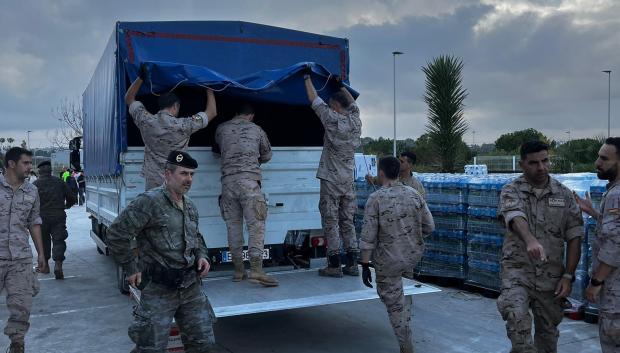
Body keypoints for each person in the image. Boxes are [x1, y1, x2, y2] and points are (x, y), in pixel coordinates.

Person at [106, 151, 217, 353]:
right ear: (167, 174)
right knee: (150, 348)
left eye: (192, 174)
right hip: (159, 289)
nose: (189, 179)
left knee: (204, 345)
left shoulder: (190, 205)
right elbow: (116, 234)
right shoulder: (149, 202)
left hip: (190, 287)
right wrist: (131, 268)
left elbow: (196, 238)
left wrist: (202, 256)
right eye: (183, 173)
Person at [496, 140, 583, 353]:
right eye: (534, 163)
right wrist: (530, 240)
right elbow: (515, 215)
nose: (541, 167)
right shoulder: (511, 190)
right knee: (517, 322)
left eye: (545, 161)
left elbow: (575, 237)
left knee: (548, 335)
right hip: (518, 272)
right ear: (523, 165)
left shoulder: (563, 194)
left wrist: (568, 276)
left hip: (551, 278)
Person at [359, 156, 434, 353]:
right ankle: (405, 317)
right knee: (404, 294)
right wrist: (411, 238)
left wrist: (365, 265)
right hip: (411, 256)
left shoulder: (375, 199)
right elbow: (429, 226)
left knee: (394, 305)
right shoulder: (414, 194)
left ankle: (406, 346)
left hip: (388, 261)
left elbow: (368, 237)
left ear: (381, 173)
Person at [304, 71, 362, 277]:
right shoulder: (356, 121)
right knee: (347, 221)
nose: (329, 107)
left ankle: (334, 265)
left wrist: (306, 78)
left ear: (336, 107)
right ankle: (353, 264)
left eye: (331, 105)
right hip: (348, 181)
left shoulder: (331, 119)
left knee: (331, 221)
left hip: (331, 180)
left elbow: (313, 99)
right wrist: (340, 85)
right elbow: (352, 104)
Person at [125, 64, 217, 190]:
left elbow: (129, 98)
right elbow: (212, 112)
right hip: (176, 181)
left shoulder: (146, 120)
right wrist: (209, 90)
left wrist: (141, 77)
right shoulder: (184, 125)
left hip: (153, 183)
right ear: (175, 106)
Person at [215, 103, 278, 287]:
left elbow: (217, 151)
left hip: (227, 184)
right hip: (250, 183)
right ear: (251, 116)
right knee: (255, 226)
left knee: (233, 227)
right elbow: (266, 156)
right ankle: (257, 270)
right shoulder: (257, 130)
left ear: (236, 113)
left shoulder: (221, 129)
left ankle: (238, 270)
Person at [574, 137, 620, 352]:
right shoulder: (613, 190)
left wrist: (596, 281)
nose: (597, 163)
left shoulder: (617, 195)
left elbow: (615, 243)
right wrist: (593, 212)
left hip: (615, 291)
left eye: (604, 159)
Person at [0, 147, 45, 353]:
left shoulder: (32, 191)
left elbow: (34, 222)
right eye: (26, 163)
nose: (30, 167)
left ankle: (17, 344)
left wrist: (41, 254)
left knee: (22, 305)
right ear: (11, 164)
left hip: (20, 258)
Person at [33, 160, 76, 279]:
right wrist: (66, 206)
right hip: (58, 215)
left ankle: (45, 266)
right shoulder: (59, 182)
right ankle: (58, 265)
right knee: (59, 240)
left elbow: (29, 203)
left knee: (44, 241)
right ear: (50, 170)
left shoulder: (35, 185)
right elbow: (72, 197)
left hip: (41, 217)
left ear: (40, 171)